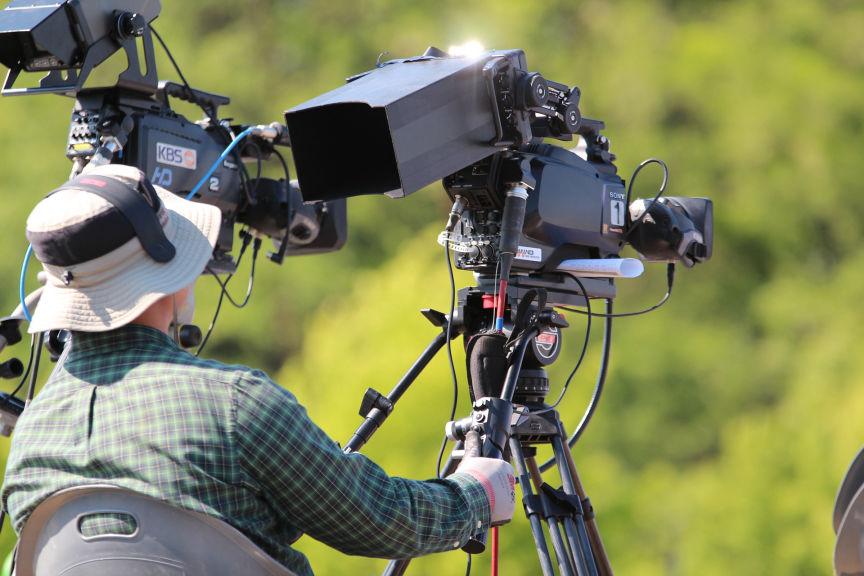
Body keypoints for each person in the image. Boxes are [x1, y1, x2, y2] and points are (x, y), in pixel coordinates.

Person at [0, 164, 515, 576]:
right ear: (165, 269)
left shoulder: (28, 444)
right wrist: (476, 492)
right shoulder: (234, 404)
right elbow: (381, 521)